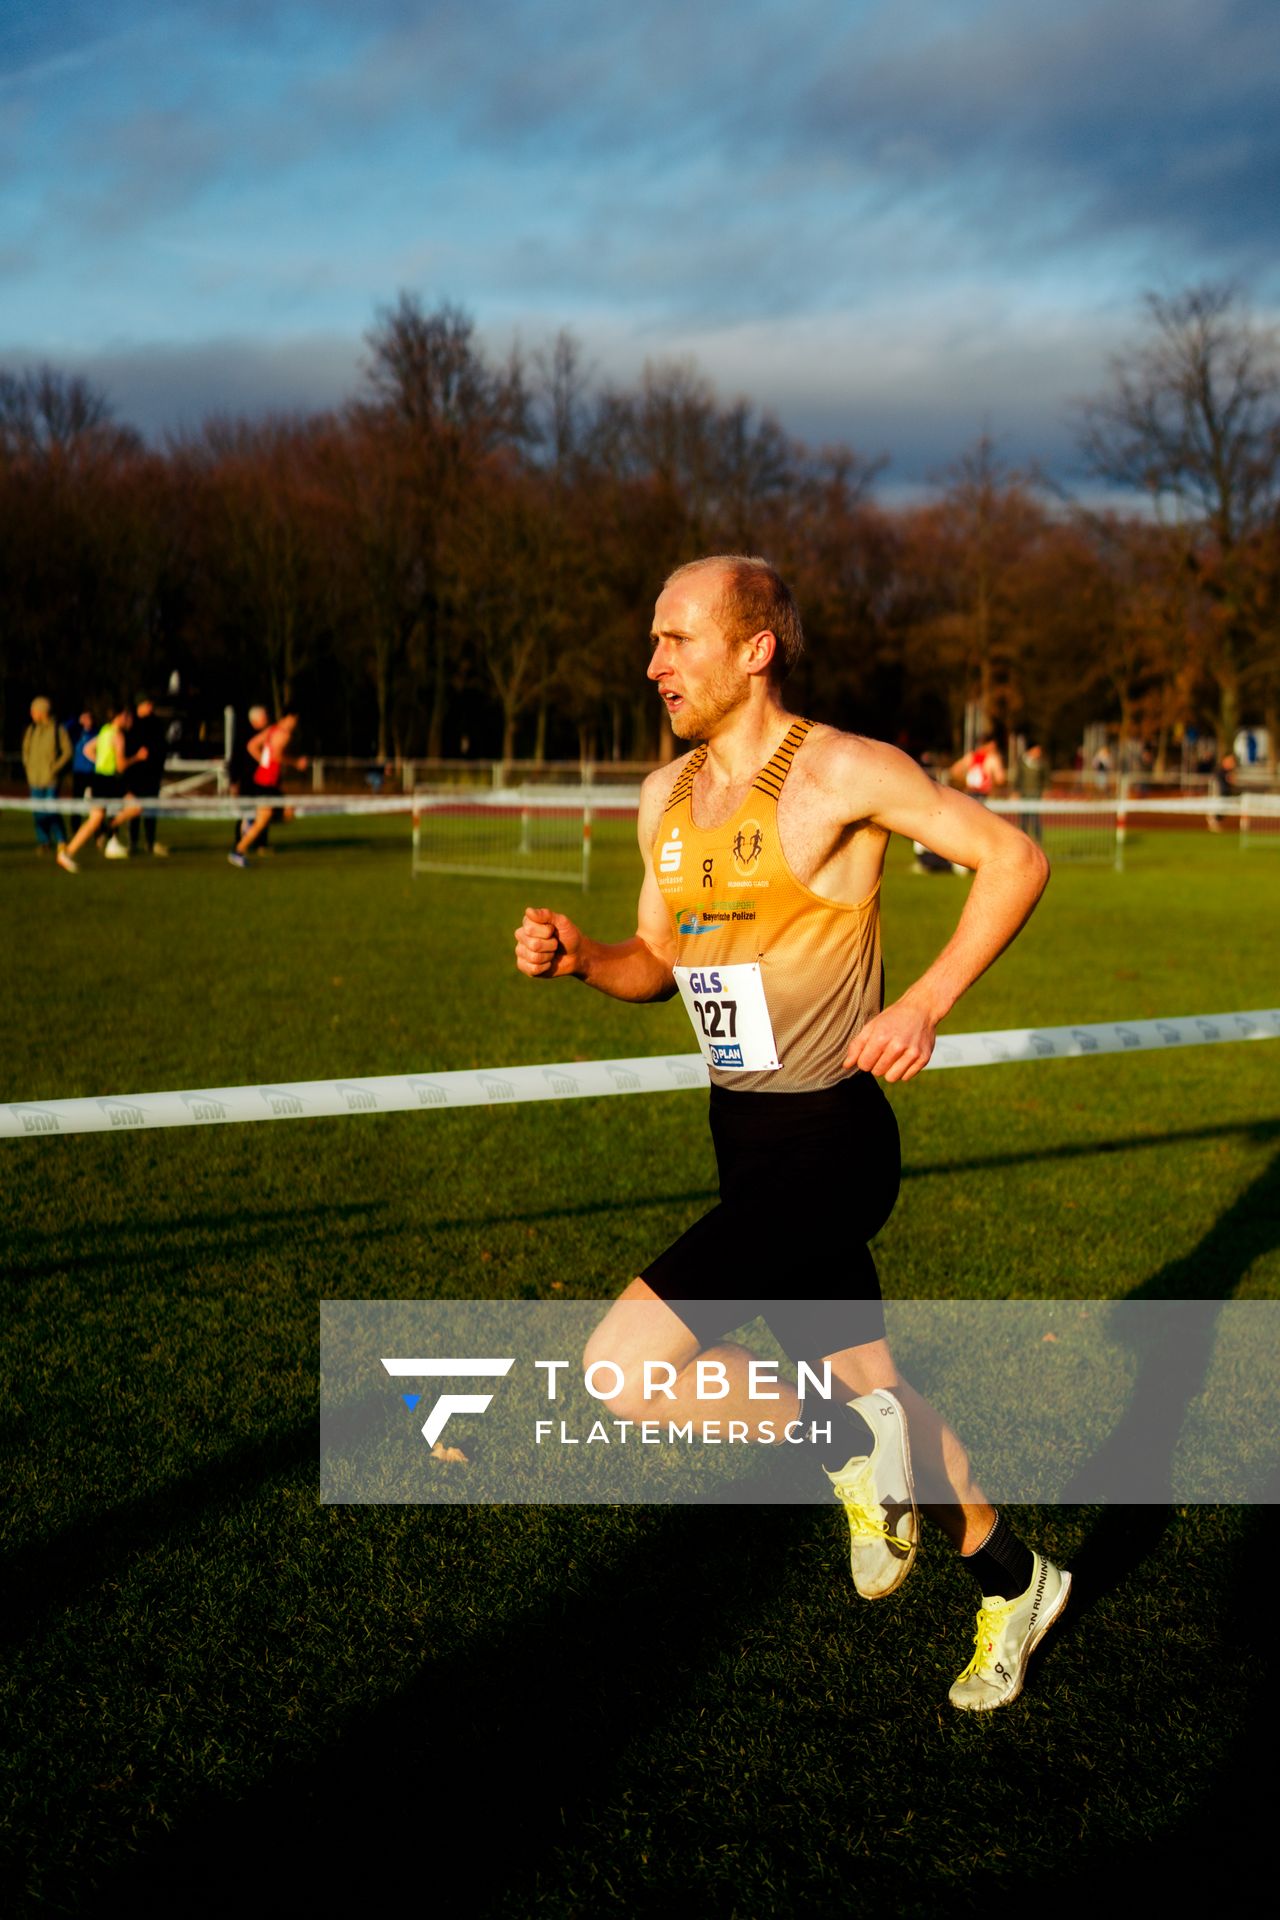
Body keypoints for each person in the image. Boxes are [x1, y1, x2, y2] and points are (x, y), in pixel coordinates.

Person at [515, 554, 1070, 1712]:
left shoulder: (838, 771)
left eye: (677, 638)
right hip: (742, 1134)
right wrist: (582, 961)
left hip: (832, 1142)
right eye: (654, 640)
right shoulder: (660, 800)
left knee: (620, 1370)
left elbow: (1013, 861)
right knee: (890, 1400)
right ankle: (1015, 1580)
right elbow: (655, 965)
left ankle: (837, 1442)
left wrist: (922, 1001)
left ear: (753, 649)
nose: (654, 661)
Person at [56, 706, 146, 873]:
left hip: (98, 778)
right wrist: (137, 757)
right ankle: (107, 829)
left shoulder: (105, 731)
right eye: (128, 717)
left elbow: (87, 749)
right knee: (136, 807)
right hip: (109, 781)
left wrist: (99, 762)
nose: (130, 721)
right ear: (121, 716)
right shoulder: (118, 736)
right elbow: (121, 765)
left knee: (95, 819)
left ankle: (67, 852)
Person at [228, 713, 307, 867]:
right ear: (288, 718)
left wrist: (264, 762)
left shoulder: (271, 730)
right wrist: (295, 762)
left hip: (266, 781)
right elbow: (277, 756)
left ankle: (252, 823)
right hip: (266, 783)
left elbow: (251, 745)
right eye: (294, 720)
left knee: (288, 813)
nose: (294, 724)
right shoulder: (284, 734)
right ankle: (238, 851)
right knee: (267, 817)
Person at [21, 697, 72, 855]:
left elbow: (68, 751)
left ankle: (62, 840)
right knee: (38, 813)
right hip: (34, 779)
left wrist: (54, 768)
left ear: (43, 712)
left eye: (34, 711)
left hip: (50, 779)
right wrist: (29, 766)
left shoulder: (58, 729)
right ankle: (43, 841)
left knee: (51, 811)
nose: (32, 714)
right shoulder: (32, 730)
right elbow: (25, 750)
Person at [126, 695, 170, 857]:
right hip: (136, 774)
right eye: (147, 704)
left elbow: (162, 747)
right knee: (134, 809)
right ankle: (133, 842)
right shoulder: (132, 724)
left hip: (152, 775)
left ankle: (150, 842)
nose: (150, 707)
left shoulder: (156, 724)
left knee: (151, 809)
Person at [1015, 742, 1049, 843]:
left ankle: (1038, 839)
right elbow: (1018, 778)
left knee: (1035, 818)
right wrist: (1016, 791)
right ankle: (1023, 839)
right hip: (1024, 793)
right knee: (1023, 818)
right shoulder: (1022, 762)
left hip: (1036, 794)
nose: (1038, 753)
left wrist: (1046, 791)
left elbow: (1046, 778)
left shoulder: (1042, 763)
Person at [1206, 752, 1236, 833]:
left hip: (1225, 796)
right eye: (1230, 761)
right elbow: (1216, 788)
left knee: (1222, 811)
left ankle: (1216, 824)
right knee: (1217, 810)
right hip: (1219, 797)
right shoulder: (1219, 772)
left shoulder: (1228, 772)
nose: (1232, 763)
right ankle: (1213, 824)